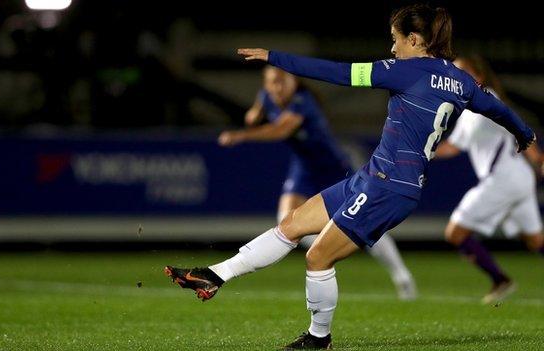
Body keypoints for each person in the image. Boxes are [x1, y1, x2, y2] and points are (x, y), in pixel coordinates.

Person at [164, 4, 535, 349]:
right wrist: (525, 135)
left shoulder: (405, 70)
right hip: (377, 176)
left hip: (389, 186)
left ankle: (318, 337)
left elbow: (337, 73)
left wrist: (275, 57)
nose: (392, 47)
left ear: (415, 41)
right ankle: (214, 276)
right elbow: (498, 109)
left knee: (318, 258)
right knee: (293, 224)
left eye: (395, 39)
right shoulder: (462, 82)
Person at [218, 65, 417, 299]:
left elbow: (281, 130)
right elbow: (257, 109)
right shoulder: (266, 96)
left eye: (283, 81)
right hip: (304, 167)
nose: (278, 87)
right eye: (272, 82)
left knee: (366, 220)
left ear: (295, 82)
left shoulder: (303, 102)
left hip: (332, 166)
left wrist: (241, 135)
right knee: (286, 220)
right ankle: (330, 245)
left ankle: (400, 274)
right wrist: (255, 111)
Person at [434, 55, 544, 305]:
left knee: (455, 232)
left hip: (504, 178)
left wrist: (539, 158)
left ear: (479, 76)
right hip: (516, 178)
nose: (456, 78)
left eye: (463, 72)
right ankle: (500, 280)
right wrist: (424, 151)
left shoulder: (488, 99)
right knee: (536, 240)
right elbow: (452, 146)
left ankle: (500, 280)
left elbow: (518, 127)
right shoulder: (468, 108)